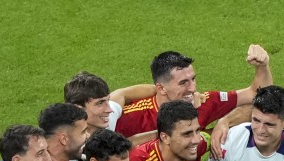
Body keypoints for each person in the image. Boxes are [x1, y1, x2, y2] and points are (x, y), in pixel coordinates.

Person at [114, 46, 272, 139]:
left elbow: (256, 94)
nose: (192, 89)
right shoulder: (131, 117)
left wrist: (263, 66)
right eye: (183, 83)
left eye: (193, 79)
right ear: (161, 88)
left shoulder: (204, 102)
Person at [63, 71, 155, 134]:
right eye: (99, 103)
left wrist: (160, 89)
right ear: (78, 109)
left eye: (107, 100)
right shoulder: (64, 142)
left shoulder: (107, 119)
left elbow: (122, 93)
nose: (109, 110)